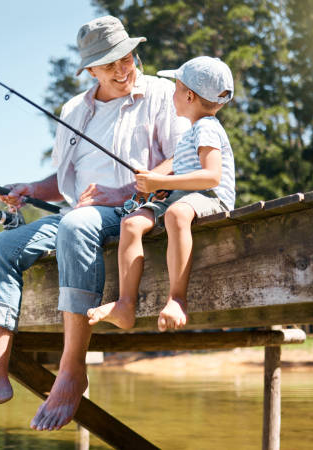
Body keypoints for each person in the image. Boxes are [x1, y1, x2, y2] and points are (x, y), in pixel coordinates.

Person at [0, 15, 189, 431]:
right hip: (80, 214)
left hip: (138, 209)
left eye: (127, 57)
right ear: (90, 70)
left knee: (78, 224)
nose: (124, 68)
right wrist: (29, 187)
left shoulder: (161, 94)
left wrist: (125, 192)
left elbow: (181, 159)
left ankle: (72, 369)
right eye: (110, 64)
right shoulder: (74, 110)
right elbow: (64, 181)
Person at [87, 56, 235, 332]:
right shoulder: (193, 132)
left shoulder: (207, 128)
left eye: (176, 88)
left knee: (178, 214)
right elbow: (183, 172)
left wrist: (160, 182)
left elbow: (212, 176)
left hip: (211, 196)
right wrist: (161, 185)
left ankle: (177, 299)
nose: (172, 94)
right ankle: (125, 305)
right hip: (184, 196)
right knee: (131, 223)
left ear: (189, 95)